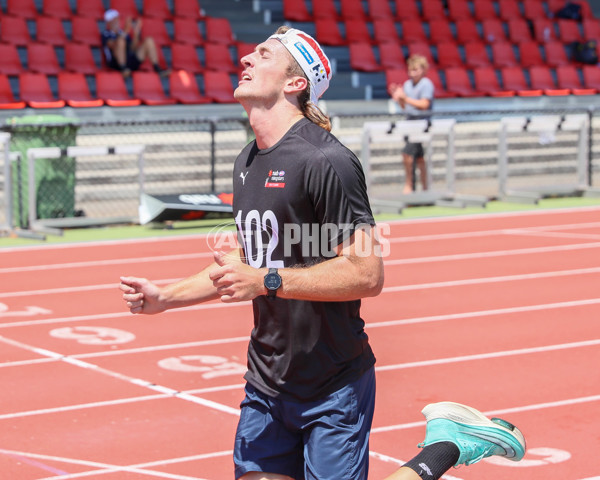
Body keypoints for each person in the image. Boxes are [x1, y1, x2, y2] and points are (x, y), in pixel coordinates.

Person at [120, 26, 525, 480]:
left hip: (332, 385)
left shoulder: (326, 161)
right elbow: (242, 259)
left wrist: (268, 280)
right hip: (267, 382)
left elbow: (368, 274)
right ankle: (449, 442)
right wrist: (164, 298)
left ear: (296, 83)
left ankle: (448, 445)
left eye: (264, 55)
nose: (245, 61)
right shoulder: (247, 161)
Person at [388, 55, 435, 194]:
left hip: (421, 125)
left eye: (415, 70)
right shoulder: (408, 85)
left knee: (407, 154)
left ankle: (410, 185)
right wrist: (399, 99)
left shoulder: (426, 84)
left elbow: (424, 104)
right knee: (419, 157)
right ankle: (424, 187)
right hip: (410, 124)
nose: (412, 73)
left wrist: (405, 98)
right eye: (410, 70)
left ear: (423, 70)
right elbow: (405, 106)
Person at [101, 9, 170, 78]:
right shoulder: (106, 34)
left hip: (130, 61)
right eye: (113, 20)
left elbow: (133, 48)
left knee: (149, 41)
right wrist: (125, 31)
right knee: (120, 41)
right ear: (108, 23)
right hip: (116, 64)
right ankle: (123, 69)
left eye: (117, 19)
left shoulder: (122, 32)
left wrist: (136, 33)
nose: (116, 21)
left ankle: (157, 68)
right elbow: (112, 45)